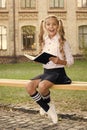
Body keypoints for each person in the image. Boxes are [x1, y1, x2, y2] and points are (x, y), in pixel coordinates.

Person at [26, 15, 74, 124]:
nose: (51, 27)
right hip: (46, 73)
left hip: (58, 73)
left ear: (58, 26)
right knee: (29, 86)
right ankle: (48, 108)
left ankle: (48, 109)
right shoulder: (44, 40)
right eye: (48, 24)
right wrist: (38, 59)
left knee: (42, 86)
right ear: (45, 26)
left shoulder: (63, 41)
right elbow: (45, 58)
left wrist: (59, 61)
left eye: (54, 24)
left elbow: (71, 61)